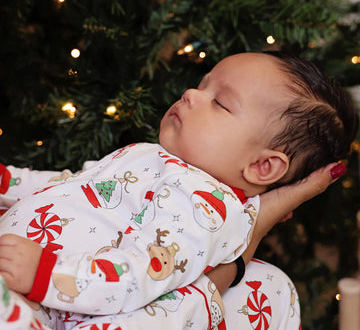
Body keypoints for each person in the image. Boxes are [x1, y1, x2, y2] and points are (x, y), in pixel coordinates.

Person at [0, 51, 357, 328]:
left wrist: (48, 274)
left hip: (57, 299)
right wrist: (9, 181)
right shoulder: (149, 156)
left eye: (220, 102)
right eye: (203, 85)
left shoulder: (205, 207)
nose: (190, 94)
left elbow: (144, 271)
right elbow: (72, 187)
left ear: (262, 166)